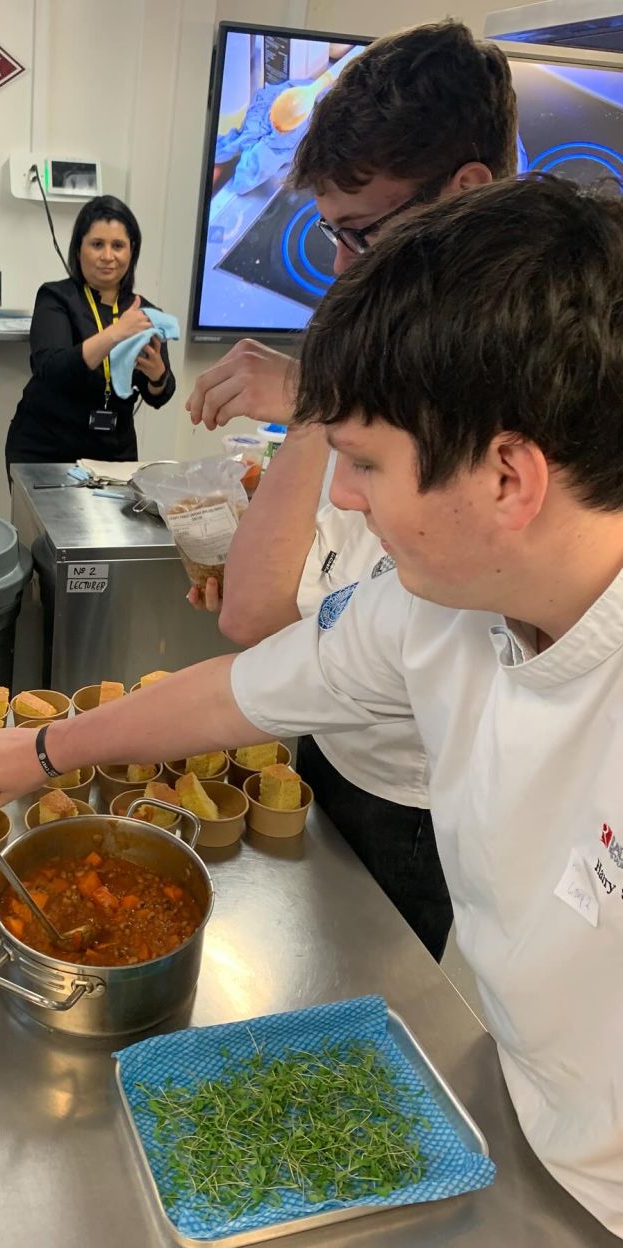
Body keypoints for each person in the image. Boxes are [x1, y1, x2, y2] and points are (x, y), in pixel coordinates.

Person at [0, 176, 623, 1236]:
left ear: (508, 478)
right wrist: (39, 751)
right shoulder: (433, 607)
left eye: (361, 464)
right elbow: (238, 689)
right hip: (518, 1109)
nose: (341, 498)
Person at [184, 21, 519, 962]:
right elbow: (269, 604)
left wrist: (317, 398)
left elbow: (266, 615)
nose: (341, 268)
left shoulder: (527, 374)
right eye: (329, 234)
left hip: (425, 796)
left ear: (466, 194)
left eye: (362, 234)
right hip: (337, 744)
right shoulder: (381, 351)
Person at [5, 195, 176, 473]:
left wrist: (157, 376)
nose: (108, 256)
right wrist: (115, 333)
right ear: (79, 249)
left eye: (118, 245)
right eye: (97, 244)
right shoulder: (56, 297)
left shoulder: (144, 311)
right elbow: (50, 369)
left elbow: (159, 395)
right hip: (46, 448)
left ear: (131, 250)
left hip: (113, 452)